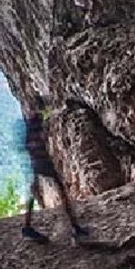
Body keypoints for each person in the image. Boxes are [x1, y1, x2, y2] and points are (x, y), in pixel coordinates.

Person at [21, 94, 89, 243]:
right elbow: (35, 143)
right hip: (42, 162)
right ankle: (75, 227)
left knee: (36, 193)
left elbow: (28, 144)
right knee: (62, 192)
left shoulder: (31, 123)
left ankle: (28, 227)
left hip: (36, 163)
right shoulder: (37, 123)